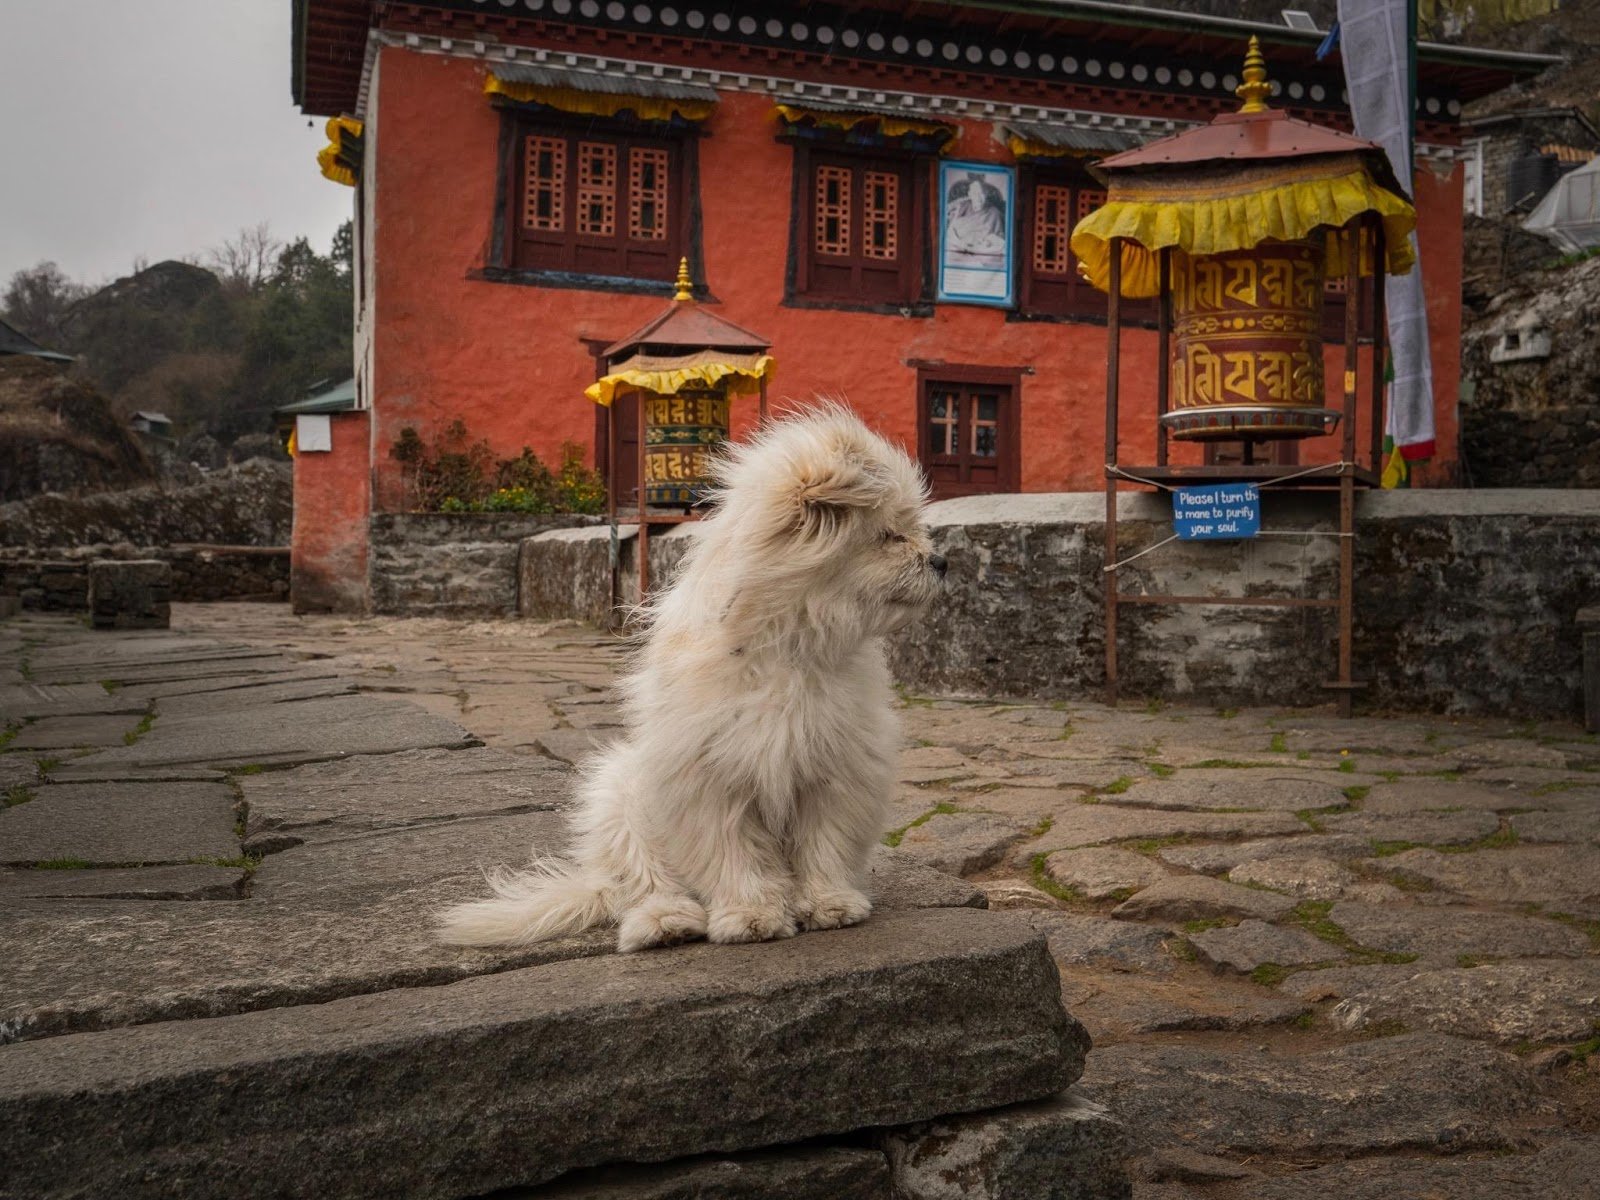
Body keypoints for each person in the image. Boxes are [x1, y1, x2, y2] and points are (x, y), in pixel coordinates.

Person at [944, 175, 1007, 258]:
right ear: (970, 195)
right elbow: (950, 230)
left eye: (981, 194)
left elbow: (1001, 239)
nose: (978, 197)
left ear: (986, 195)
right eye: (975, 193)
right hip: (959, 248)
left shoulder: (994, 213)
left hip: (982, 252)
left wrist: (990, 241)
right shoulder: (961, 206)